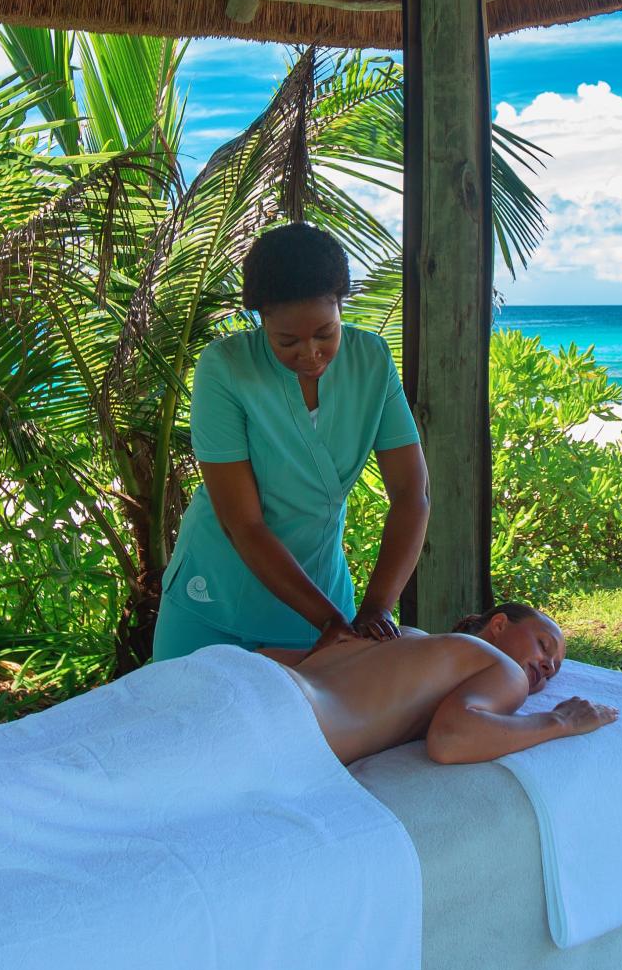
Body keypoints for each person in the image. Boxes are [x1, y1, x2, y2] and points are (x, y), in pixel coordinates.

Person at [152, 222, 431, 660]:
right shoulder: (226, 368)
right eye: (287, 341)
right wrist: (328, 621)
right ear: (261, 320)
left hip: (321, 599)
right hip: (214, 598)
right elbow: (243, 523)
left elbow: (412, 494)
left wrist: (376, 609)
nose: (310, 353)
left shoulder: (371, 361)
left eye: (326, 334)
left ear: (341, 306)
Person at [261, 603, 619, 765]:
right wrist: (560, 721)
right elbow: (450, 740)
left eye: (553, 670)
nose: (546, 664)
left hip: (250, 679)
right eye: (543, 645)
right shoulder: (506, 671)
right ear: (498, 624)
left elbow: (282, 655)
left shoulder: (408, 636)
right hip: (285, 722)